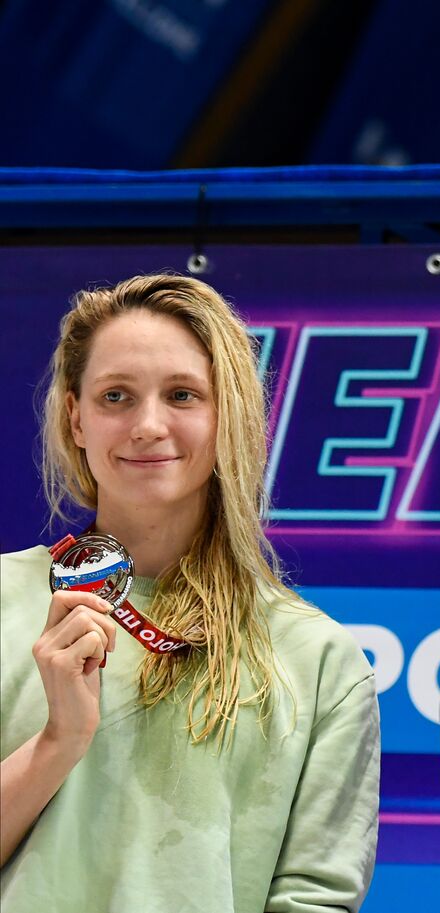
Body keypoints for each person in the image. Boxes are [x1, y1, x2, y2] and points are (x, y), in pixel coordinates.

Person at [0, 274, 380, 912]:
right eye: (116, 396)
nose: (148, 426)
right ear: (76, 418)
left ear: (228, 412)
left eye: (182, 395)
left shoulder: (318, 661)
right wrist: (58, 740)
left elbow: (315, 898)